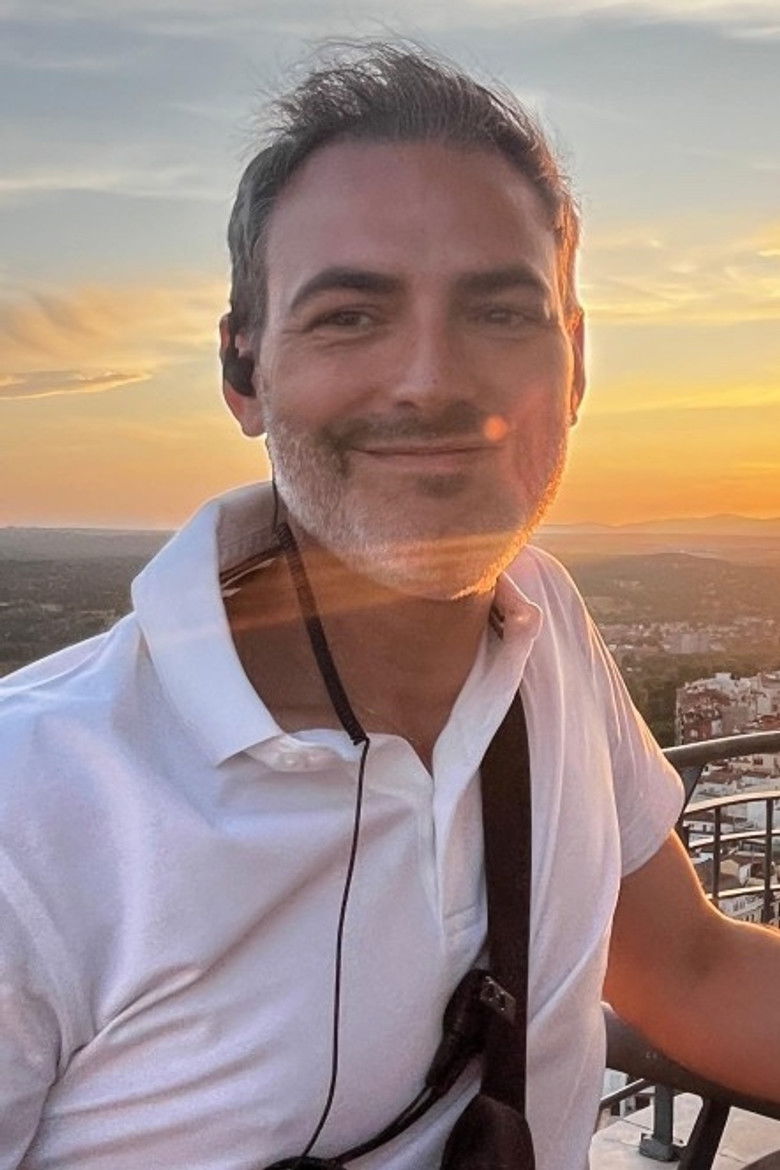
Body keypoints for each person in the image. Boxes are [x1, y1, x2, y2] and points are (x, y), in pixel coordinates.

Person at [1, 43, 778, 1170]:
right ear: (244, 371)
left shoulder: (544, 629)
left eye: (500, 312)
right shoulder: (35, 807)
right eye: (350, 316)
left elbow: (690, 969)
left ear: (574, 361)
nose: (431, 380)